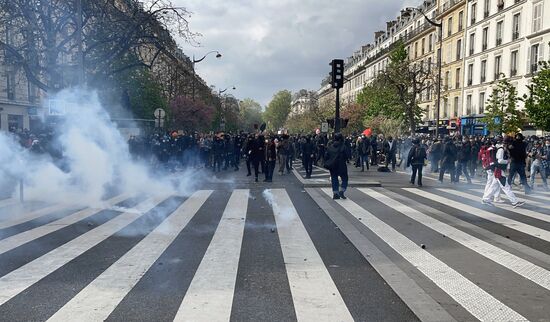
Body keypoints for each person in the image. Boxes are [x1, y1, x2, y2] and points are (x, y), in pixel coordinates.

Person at [481, 138, 524, 208]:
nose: (511, 146)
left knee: (493, 186)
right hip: (499, 171)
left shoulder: (503, 149)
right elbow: (500, 161)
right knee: (506, 187)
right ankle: (514, 202)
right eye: (510, 144)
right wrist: (508, 161)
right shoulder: (501, 150)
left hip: (499, 170)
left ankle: (485, 199)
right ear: (507, 144)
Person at [324, 133, 350, 200]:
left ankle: (335, 193)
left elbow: (326, 156)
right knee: (345, 178)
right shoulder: (343, 146)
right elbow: (348, 155)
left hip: (333, 165)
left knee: (334, 178)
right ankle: (342, 190)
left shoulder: (330, 146)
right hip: (341, 165)